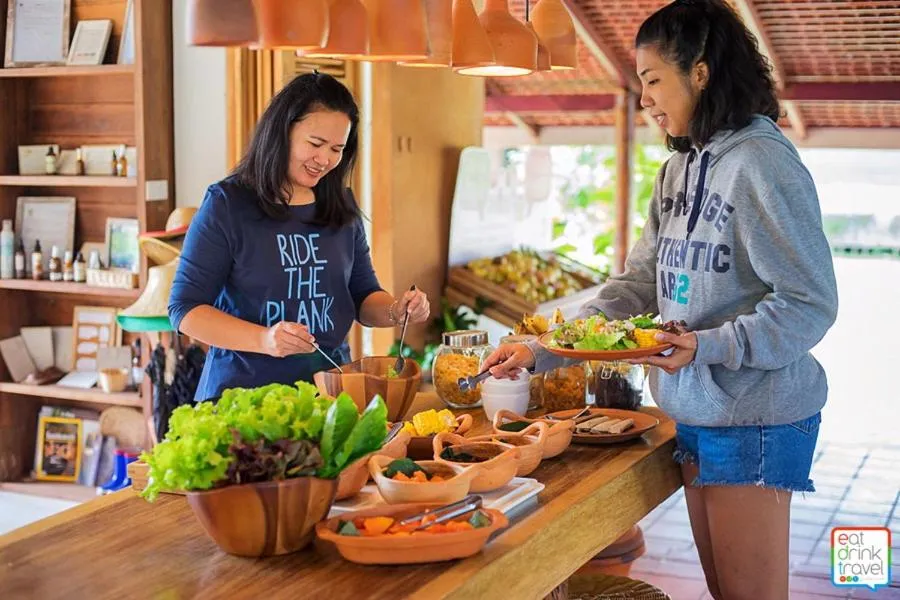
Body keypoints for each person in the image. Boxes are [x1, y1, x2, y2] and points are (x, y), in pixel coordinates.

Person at [483, 1, 838, 598]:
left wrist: (704, 346)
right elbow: (638, 284)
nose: (644, 97)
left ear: (700, 72)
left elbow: (810, 302)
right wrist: (543, 345)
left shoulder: (761, 162)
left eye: (652, 80)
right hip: (693, 410)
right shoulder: (677, 169)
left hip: (754, 414)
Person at [169, 72, 430, 402]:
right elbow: (185, 309)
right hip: (244, 402)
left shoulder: (340, 206)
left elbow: (362, 296)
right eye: (316, 144)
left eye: (337, 149)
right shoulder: (228, 204)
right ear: (283, 131)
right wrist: (265, 340)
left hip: (329, 398)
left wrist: (395, 310)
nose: (325, 160)